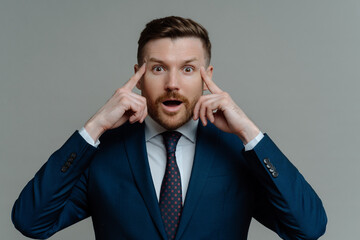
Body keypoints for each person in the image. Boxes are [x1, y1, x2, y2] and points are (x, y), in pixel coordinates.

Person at [12, 16, 327, 240]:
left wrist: (249, 132)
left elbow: (308, 228)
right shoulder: (103, 154)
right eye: (158, 68)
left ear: (208, 76)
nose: (172, 84)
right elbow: (31, 222)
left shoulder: (239, 153)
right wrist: (93, 128)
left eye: (188, 69)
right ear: (138, 76)